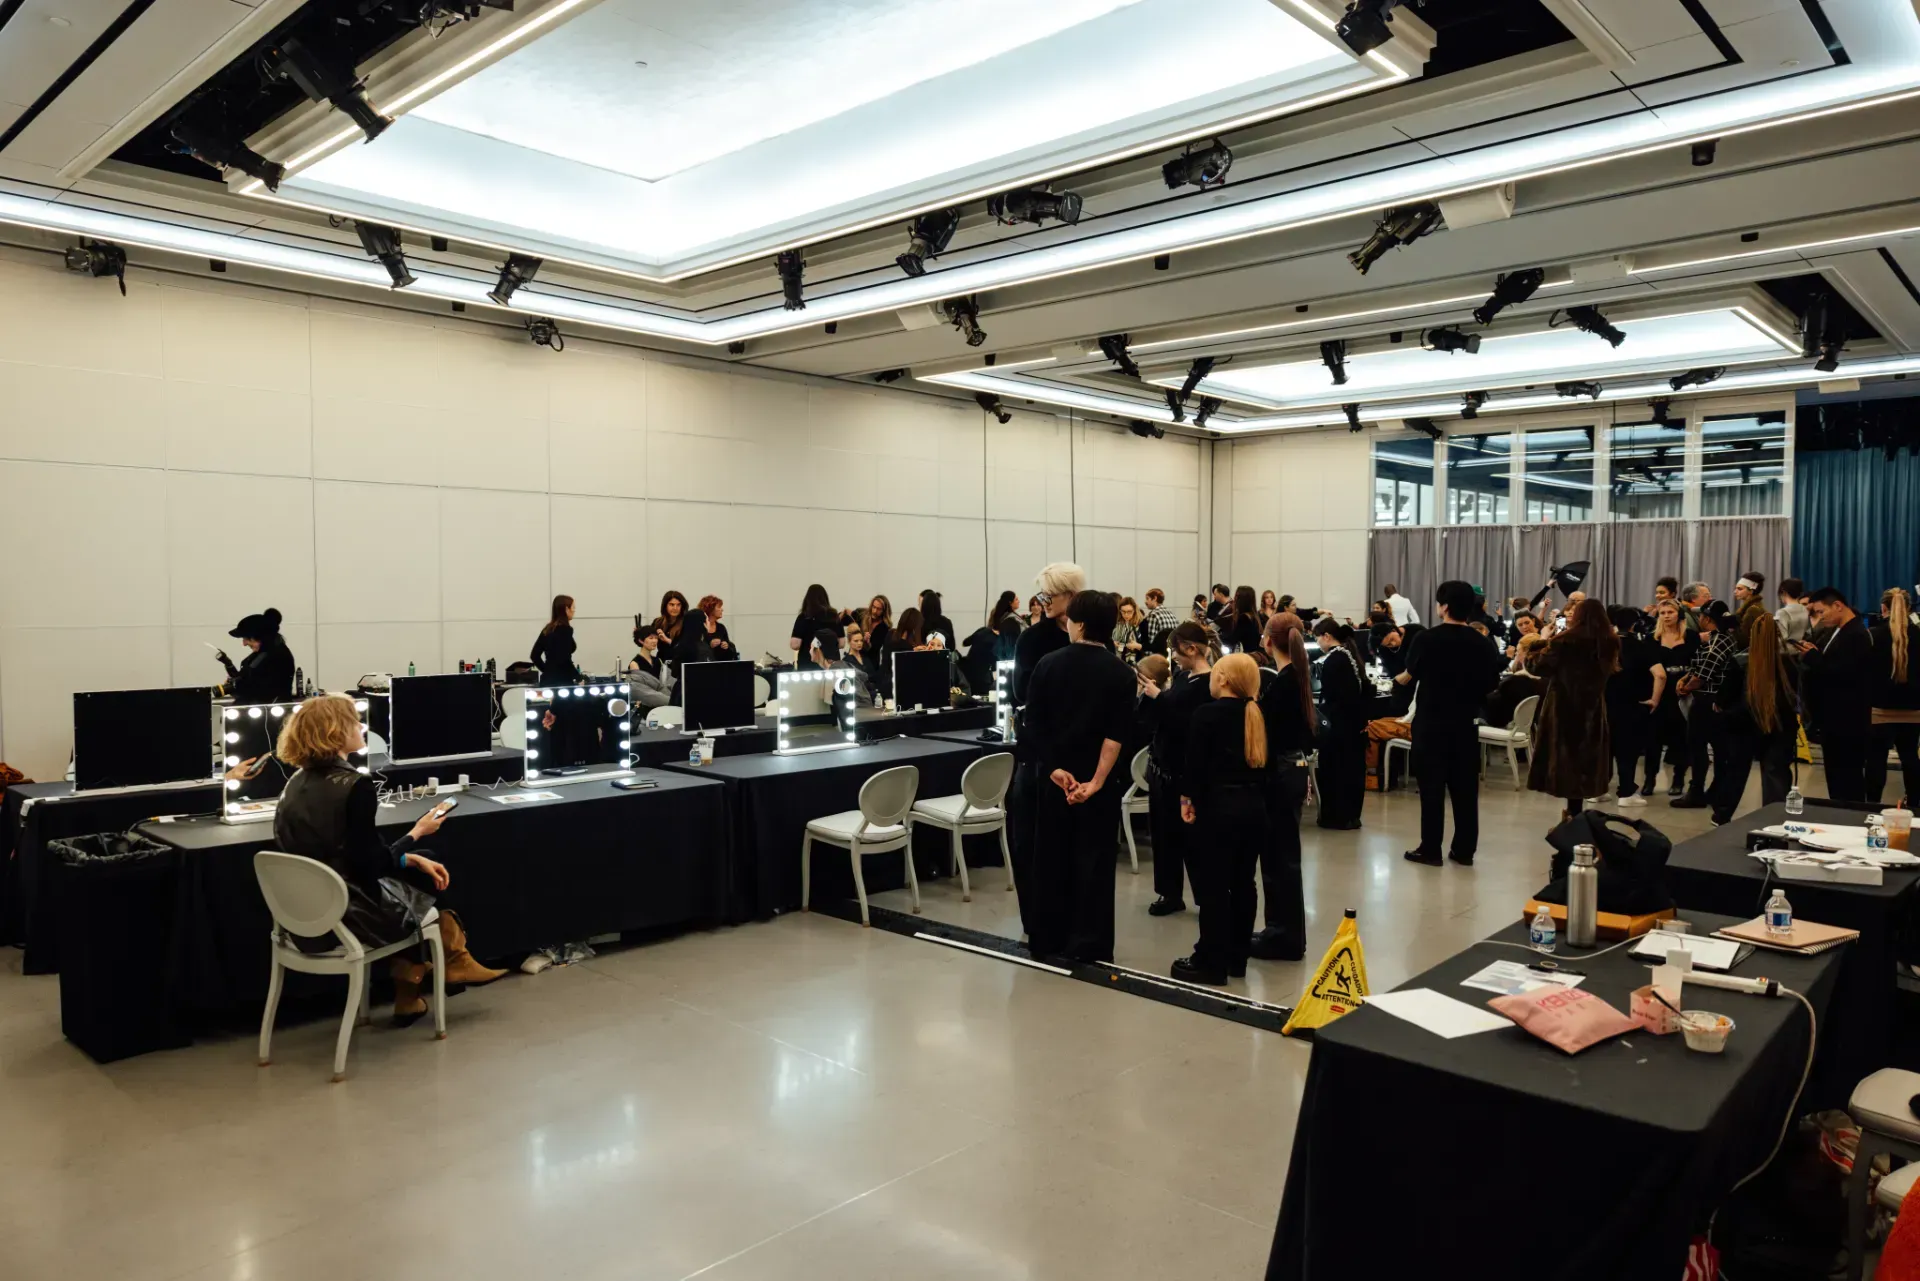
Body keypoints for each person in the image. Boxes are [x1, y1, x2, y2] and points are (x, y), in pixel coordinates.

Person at [272, 694, 503, 1026]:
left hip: (302, 913)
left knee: (421, 862)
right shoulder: (356, 786)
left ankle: (426, 980)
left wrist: (409, 855)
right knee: (427, 866)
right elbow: (370, 866)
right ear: (337, 731)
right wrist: (416, 833)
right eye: (354, 721)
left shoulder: (294, 783)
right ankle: (444, 964)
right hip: (347, 911)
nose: (361, 727)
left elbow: (352, 855)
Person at [1019, 590, 1135, 963]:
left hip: (1055, 780)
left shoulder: (1049, 665)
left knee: (1051, 858)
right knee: (1095, 863)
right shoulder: (1120, 671)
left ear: (1079, 623)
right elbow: (1115, 736)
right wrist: (1097, 781)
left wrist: (1054, 769)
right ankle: (1090, 943)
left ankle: (1048, 937)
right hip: (1097, 785)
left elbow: (1033, 724)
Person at [1171, 653, 1268, 986]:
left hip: (1217, 809)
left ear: (1224, 679)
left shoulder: (1206, 716)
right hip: (1254, 809)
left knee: (1213, 886)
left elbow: (1194, 766)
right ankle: (1236, 957)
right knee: (1244, 883)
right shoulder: (1257, 715)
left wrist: (1187, 799)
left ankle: (1210, 960)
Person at [1006, 563, 1086, 938]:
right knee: (1031, 843)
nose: (1043, 602)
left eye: (1049, 596)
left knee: (1068, 847)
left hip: (1075, 751)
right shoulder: (1032, 640)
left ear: (1070, 596)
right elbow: (1021, 694)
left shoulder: (1091, 639)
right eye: (1042, 596)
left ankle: (1068, 919)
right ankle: (1039, 924)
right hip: (1040, 751)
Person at [1399, 582, 1502, 865]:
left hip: (1431, 722)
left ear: (1443, 607)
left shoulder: (1426, 639)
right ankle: (1464, 850)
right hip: (1465, 723)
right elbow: (1492, 682)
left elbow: (1412, 671)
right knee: (1465, 789)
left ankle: (1431, 848)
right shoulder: (1481, 642)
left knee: (1431, 789)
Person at [1137, 621, 1213, 917]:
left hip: (1184, 772)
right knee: (1164, 837)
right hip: (1162, 768)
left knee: (1192, 839)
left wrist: (1160, 698)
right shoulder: (1183, 678)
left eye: (1177, 651)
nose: (1175, 658)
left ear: (1191, 649)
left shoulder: (1208, 686)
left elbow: (1189, 724)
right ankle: (1169, 892)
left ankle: (1204, 894)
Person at [1251, 616, 1315, 960]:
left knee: (1279, 859)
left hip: (1279, 773)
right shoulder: (1295, 678)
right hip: (1292, 770)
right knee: (1282, 857)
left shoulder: (1284, 683)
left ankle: (1283, 936)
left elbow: (1267, 731)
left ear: (1268, 641)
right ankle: (1281, 930)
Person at [1527, 599, 1617, 818]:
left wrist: (1541, 641)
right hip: (1593, 709)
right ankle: (1576, 816)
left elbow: (1536, 666)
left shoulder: (1565, 641)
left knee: (1565, 764)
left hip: (1563, 708)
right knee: (1585, 764)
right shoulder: (1609, 642)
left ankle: (1570, 824)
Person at [1711, 611, 1798, 824]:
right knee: (1775, 772)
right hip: (1780, 726)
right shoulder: (1791, 662)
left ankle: (1722, 814)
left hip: (1743, 724)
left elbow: (1723, 697)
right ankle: (1776, 819)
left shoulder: (1739, 660)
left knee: (1736, 771)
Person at [1799, 586, 1875, 801]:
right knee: (1837, 778)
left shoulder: (1856, 634)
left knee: (1848, 779)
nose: (1820, 618)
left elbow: (1845, 673)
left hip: (1848, 720)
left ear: (1838, 606)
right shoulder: (1837, 632)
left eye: (1822, 612)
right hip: (1834, 719)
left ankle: (1850, 819)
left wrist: (1814, 658)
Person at [1672, 601, 1737, 809]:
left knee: (1697, 746)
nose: (1698, 619)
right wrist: (1686, 678)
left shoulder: (1716, 643)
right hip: (1720, 702)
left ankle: (1696, 791)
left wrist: (1687, 686)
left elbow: (1704, 673)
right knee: (1720, 749)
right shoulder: (1727, 639)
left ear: (1708, 619)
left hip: (1706, 701)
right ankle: (1718, 790)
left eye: (1701, 616)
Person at [1605, 605, 1666, 807]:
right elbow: (1660, 674)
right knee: (1627, 750)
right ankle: (1626, 792)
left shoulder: (1605, 644)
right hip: (1632, 705)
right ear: (1634, 624)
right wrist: (1655, 700)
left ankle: (1598, 790)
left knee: (1604, 747)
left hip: (1604, 704)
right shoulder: (1641, 646)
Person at [1312, 616, 1368, 830]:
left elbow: (1331, 697)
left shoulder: (1334, 660)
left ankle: (1335, 817)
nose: (1317, 644)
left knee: (1335, 771)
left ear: (1327, 636)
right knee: (1352, 772)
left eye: (1317, 639)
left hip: (1339, 726)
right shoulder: (1349, 654)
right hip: (1353, 725)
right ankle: (1351, 816)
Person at [1870, 588, 1920, 805]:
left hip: (1880, 710)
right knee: (1910, 757)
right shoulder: (1918, 635)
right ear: (1909, 608)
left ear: (1883, 608)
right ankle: (1916, 805)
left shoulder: (1873, 635)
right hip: (1913, 709)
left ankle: (1870, 805)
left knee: (1876, 760)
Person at [1646, 599, 1697, 797]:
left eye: (1670, 612)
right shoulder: (1652, 638)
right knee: (1653, 740)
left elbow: (1696, 662)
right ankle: (1649, 779)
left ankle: (1678, 779)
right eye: (1663, 613)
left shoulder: (1691, 637)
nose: (1666, 616)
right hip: (1660, 693)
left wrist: (1689, 683)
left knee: (1681, 739)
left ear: (1679, 614)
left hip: (1684, 694)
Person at [218, 607, 296, 704]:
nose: (244, 644)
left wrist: (236, 687)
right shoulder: (260, 656)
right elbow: (247, 680)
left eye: (247, 639)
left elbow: (262, 690)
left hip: (267, 713)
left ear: (260, 637)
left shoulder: (279, 657)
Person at [1483, 633, 1547, 727]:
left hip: (1510, 725)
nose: (1516, 654)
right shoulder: (1548, 680)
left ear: (1526, 653)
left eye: (1518, 650)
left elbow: (1494, 709)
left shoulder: (1517, 682)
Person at [530, 595, 580, 685]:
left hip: (547, 681)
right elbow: (564, 658)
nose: (574, 610)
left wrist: (548, 671)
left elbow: (534, 656)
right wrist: (578, 677)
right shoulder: (565, 630)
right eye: (573, 607)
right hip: (563, 682)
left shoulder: (548, 629)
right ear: (566, 609)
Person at [790, 585, 841, 670]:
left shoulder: (804, 617)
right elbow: (842, 643)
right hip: (831, 663)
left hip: (808, 662)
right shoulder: (834, 616)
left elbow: (795, 645)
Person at [626, 625, 672, 710]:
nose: (655, 641)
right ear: (641, 640)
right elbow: (641, 690)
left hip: (662, 701)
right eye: (651, 638)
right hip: (646, 704)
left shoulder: (658, 660)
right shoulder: (635, 663)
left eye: (656, 638)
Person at [1219, 586, 1262, 656]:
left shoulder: (1244, 619)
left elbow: (1232, 639)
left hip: (1250, 657)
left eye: (1236, 596)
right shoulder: (1254, 616)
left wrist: (1216, 636)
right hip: (1256, 655)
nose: (1234, 599)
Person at [1731, 572, 1767, 647]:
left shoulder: (1753, 610)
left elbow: (1744, 639)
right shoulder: (1753, 607)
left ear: (1751, 591)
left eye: (1739, 589)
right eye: (1736, 588)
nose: (1735, 592)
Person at [1140, 588, 1180, 655]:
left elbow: (1151, 642)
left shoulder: (1153, 615)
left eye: (1147, 598)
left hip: (1158, 657)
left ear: (1155, 598)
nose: (1145, 602)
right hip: (1171, 655)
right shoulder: (1171, 614)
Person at [1775, 577, 1810, 645]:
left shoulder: (1782, 612)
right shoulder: (1806, 610)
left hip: (1785, 653)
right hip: (1802, 651)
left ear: (1784, 592)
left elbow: (1781, 638)